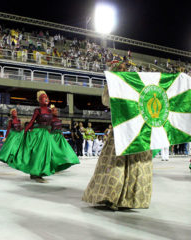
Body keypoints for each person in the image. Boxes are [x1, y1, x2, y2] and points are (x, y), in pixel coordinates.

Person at [82, 61, 153, 210]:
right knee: (116, 163)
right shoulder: (113, 84)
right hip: (120, 129)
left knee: (134, 164)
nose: (123, 70)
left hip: (136, 129)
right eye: (119, 68)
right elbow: (106, 101)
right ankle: (111, 196)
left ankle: (128, 199)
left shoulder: (134, 84)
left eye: (124, 68)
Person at [13, 91, 79, 183]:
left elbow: (51, 124)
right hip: (38, 134)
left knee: (49, 154)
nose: (46, 98)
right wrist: (24, 131)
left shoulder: (49, 111)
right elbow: (32, 122)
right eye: (44, 97)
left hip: (47, 135)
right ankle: (36, 174)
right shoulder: (38, 110)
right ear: (40, 100)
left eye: (47, 97)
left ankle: (40, 172)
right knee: (39, 154)